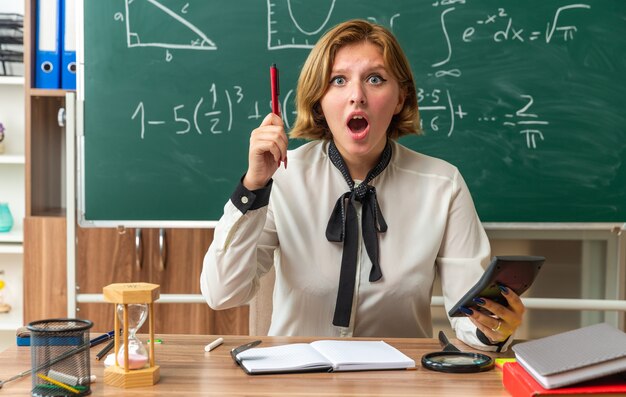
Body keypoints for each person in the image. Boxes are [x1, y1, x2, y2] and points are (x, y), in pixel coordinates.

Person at [201, 19, 523, 351]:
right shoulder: (282, 177)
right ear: (319, 103)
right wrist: (252, 186)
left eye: (375, 79)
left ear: (400, 98)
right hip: (298, 379)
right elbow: (223, 293)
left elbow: (471, 322)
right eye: (338, 81)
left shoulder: (443, 185)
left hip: (401, 381)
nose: (357, 96)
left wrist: (494, 328)